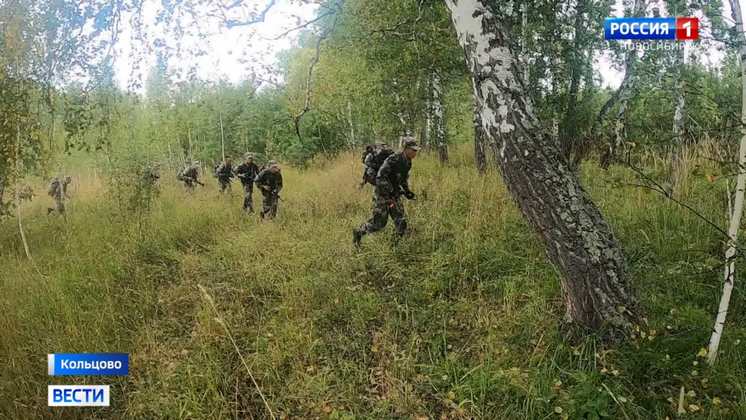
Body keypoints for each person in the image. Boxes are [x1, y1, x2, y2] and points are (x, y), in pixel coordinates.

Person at [353, 139, 419, 246]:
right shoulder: (393, 160)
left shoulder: (408, 162)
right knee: (379, 223)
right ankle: (359, 232)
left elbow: (402, 179)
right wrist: (391, 190)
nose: (415, 153)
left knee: (401, 222)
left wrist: (407, 192)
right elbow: (380, 177)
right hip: (382, 194)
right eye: (413, 150)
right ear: (406, 149)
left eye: (416, 151)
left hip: (394, 195)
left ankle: (393, 247)